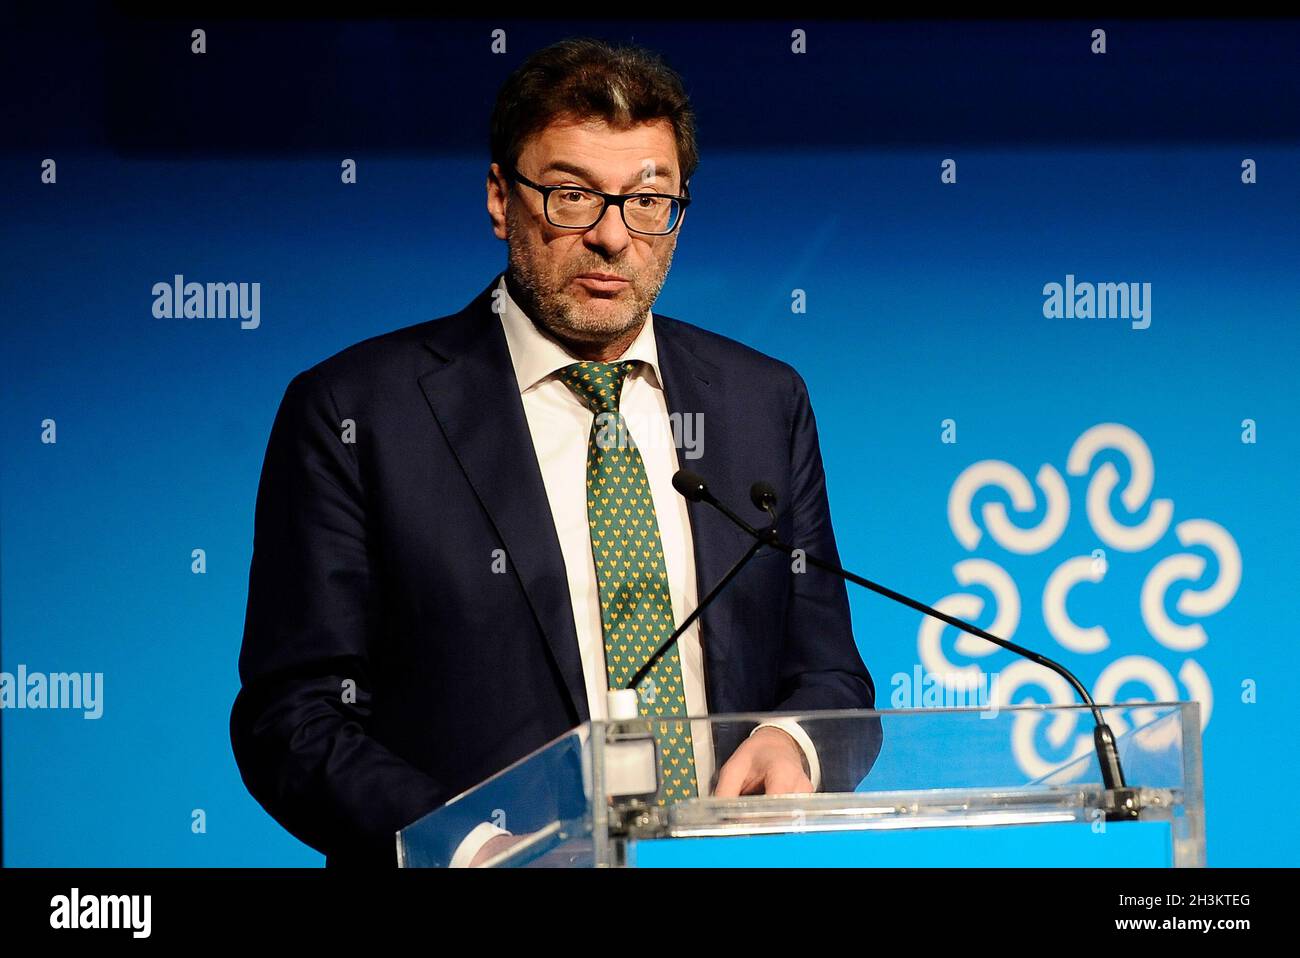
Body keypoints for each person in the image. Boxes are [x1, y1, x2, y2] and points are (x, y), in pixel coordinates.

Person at [231, 36, 877, 868]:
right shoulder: (359, 411)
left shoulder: (762, 401)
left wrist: (795, 743)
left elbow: (834, 680)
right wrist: (470, 850)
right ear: (501, 197)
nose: (613, 237)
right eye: (572, 195)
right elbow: (293, 717)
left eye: (649, 200)